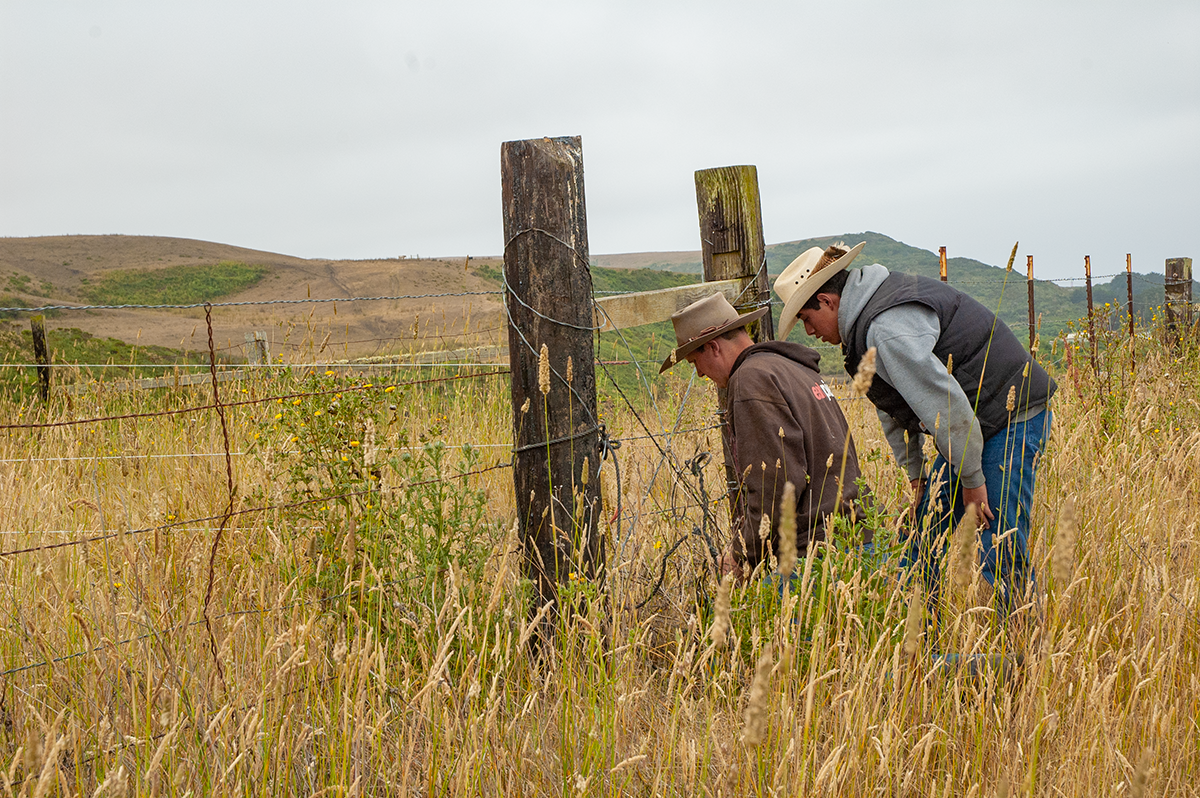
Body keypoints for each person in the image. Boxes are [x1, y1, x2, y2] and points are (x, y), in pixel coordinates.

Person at [775, 241, 1055, 619]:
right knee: (922, 535)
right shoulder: (867, 327)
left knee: (998, 541)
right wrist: (917, 476)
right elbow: (895, 408)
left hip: (1008, 417)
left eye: (807, 319)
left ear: (827, 301)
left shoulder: (885, 330)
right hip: (972, 427)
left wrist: (971, 480)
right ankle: (922, 637)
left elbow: (947, 405)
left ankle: (1023, 655)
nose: (809, 332)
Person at [659, 293, 870, 578]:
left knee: (743, 618)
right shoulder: (793, 368)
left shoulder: (750, 380)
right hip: (863, 534)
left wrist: (742, 554)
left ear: (713, 347)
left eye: (695, 361)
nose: (698, 374)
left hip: (822, 552)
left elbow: (776, 482)